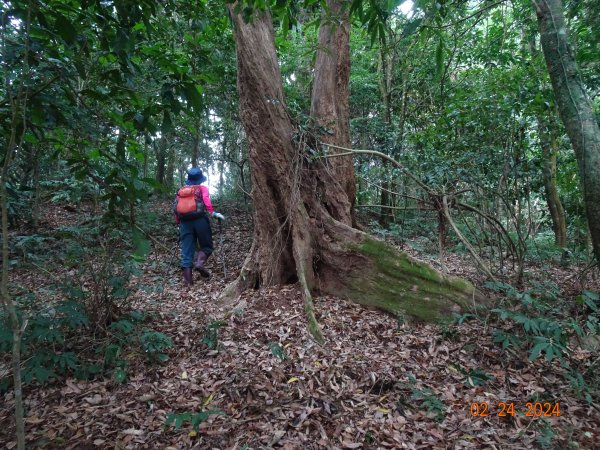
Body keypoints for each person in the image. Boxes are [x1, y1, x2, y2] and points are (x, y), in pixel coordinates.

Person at [173, 167, 225, 286]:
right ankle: (200, 263)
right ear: (200, 179)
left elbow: (176, 208)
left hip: (185, 223)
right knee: (207, 246)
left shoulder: (181, 191)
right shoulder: (202, 188)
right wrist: (213, 213)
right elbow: (206, 201)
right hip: (200, 220)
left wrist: (178, 223)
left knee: (186, 252)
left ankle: (188, 283)